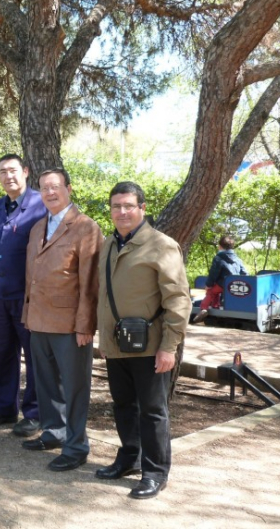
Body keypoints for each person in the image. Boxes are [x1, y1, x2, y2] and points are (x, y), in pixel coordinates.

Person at [96, 181, 191, 499]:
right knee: (123, 405)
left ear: (142, 208)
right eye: (116, 206)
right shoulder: (110, 244)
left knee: (153, 410)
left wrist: (169, 347)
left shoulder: (162, 245)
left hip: (151, 346)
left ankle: (155, 472)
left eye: (128, 206)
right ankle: (130, 458)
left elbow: (178, 300)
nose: (121, 212)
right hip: (118, 343)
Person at [21, 168, 102, 471]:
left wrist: (85, 325)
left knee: (74, 387)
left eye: (55, 187)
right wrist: (27, 314)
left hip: (69, 324)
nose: (50, 193)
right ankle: (53, 432)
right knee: (45, 384)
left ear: (69, 188)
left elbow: (90, 282)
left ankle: (77, 445)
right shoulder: (37, 227)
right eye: (44, 188)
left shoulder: (85, 227)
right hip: (38, 320)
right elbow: (32, 275)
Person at [0, 153, 47, 436]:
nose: (9, 176)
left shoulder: (42, 205)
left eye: (13, 170)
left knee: (34, 357)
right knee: (1, 355)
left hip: (29, 297)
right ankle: (4, 407)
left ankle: (34, 413)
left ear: (26, 172)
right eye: (3, 172)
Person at [193, 234, 248, 323]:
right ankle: (215, 305)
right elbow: (245, 273)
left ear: (220, 246)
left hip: (223, 284)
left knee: (211, 291)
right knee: (216, 291)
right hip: (235, 285)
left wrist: (208, 285)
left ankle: (203, 308)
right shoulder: (237, 259)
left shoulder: (218, 258)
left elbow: (213, 273)